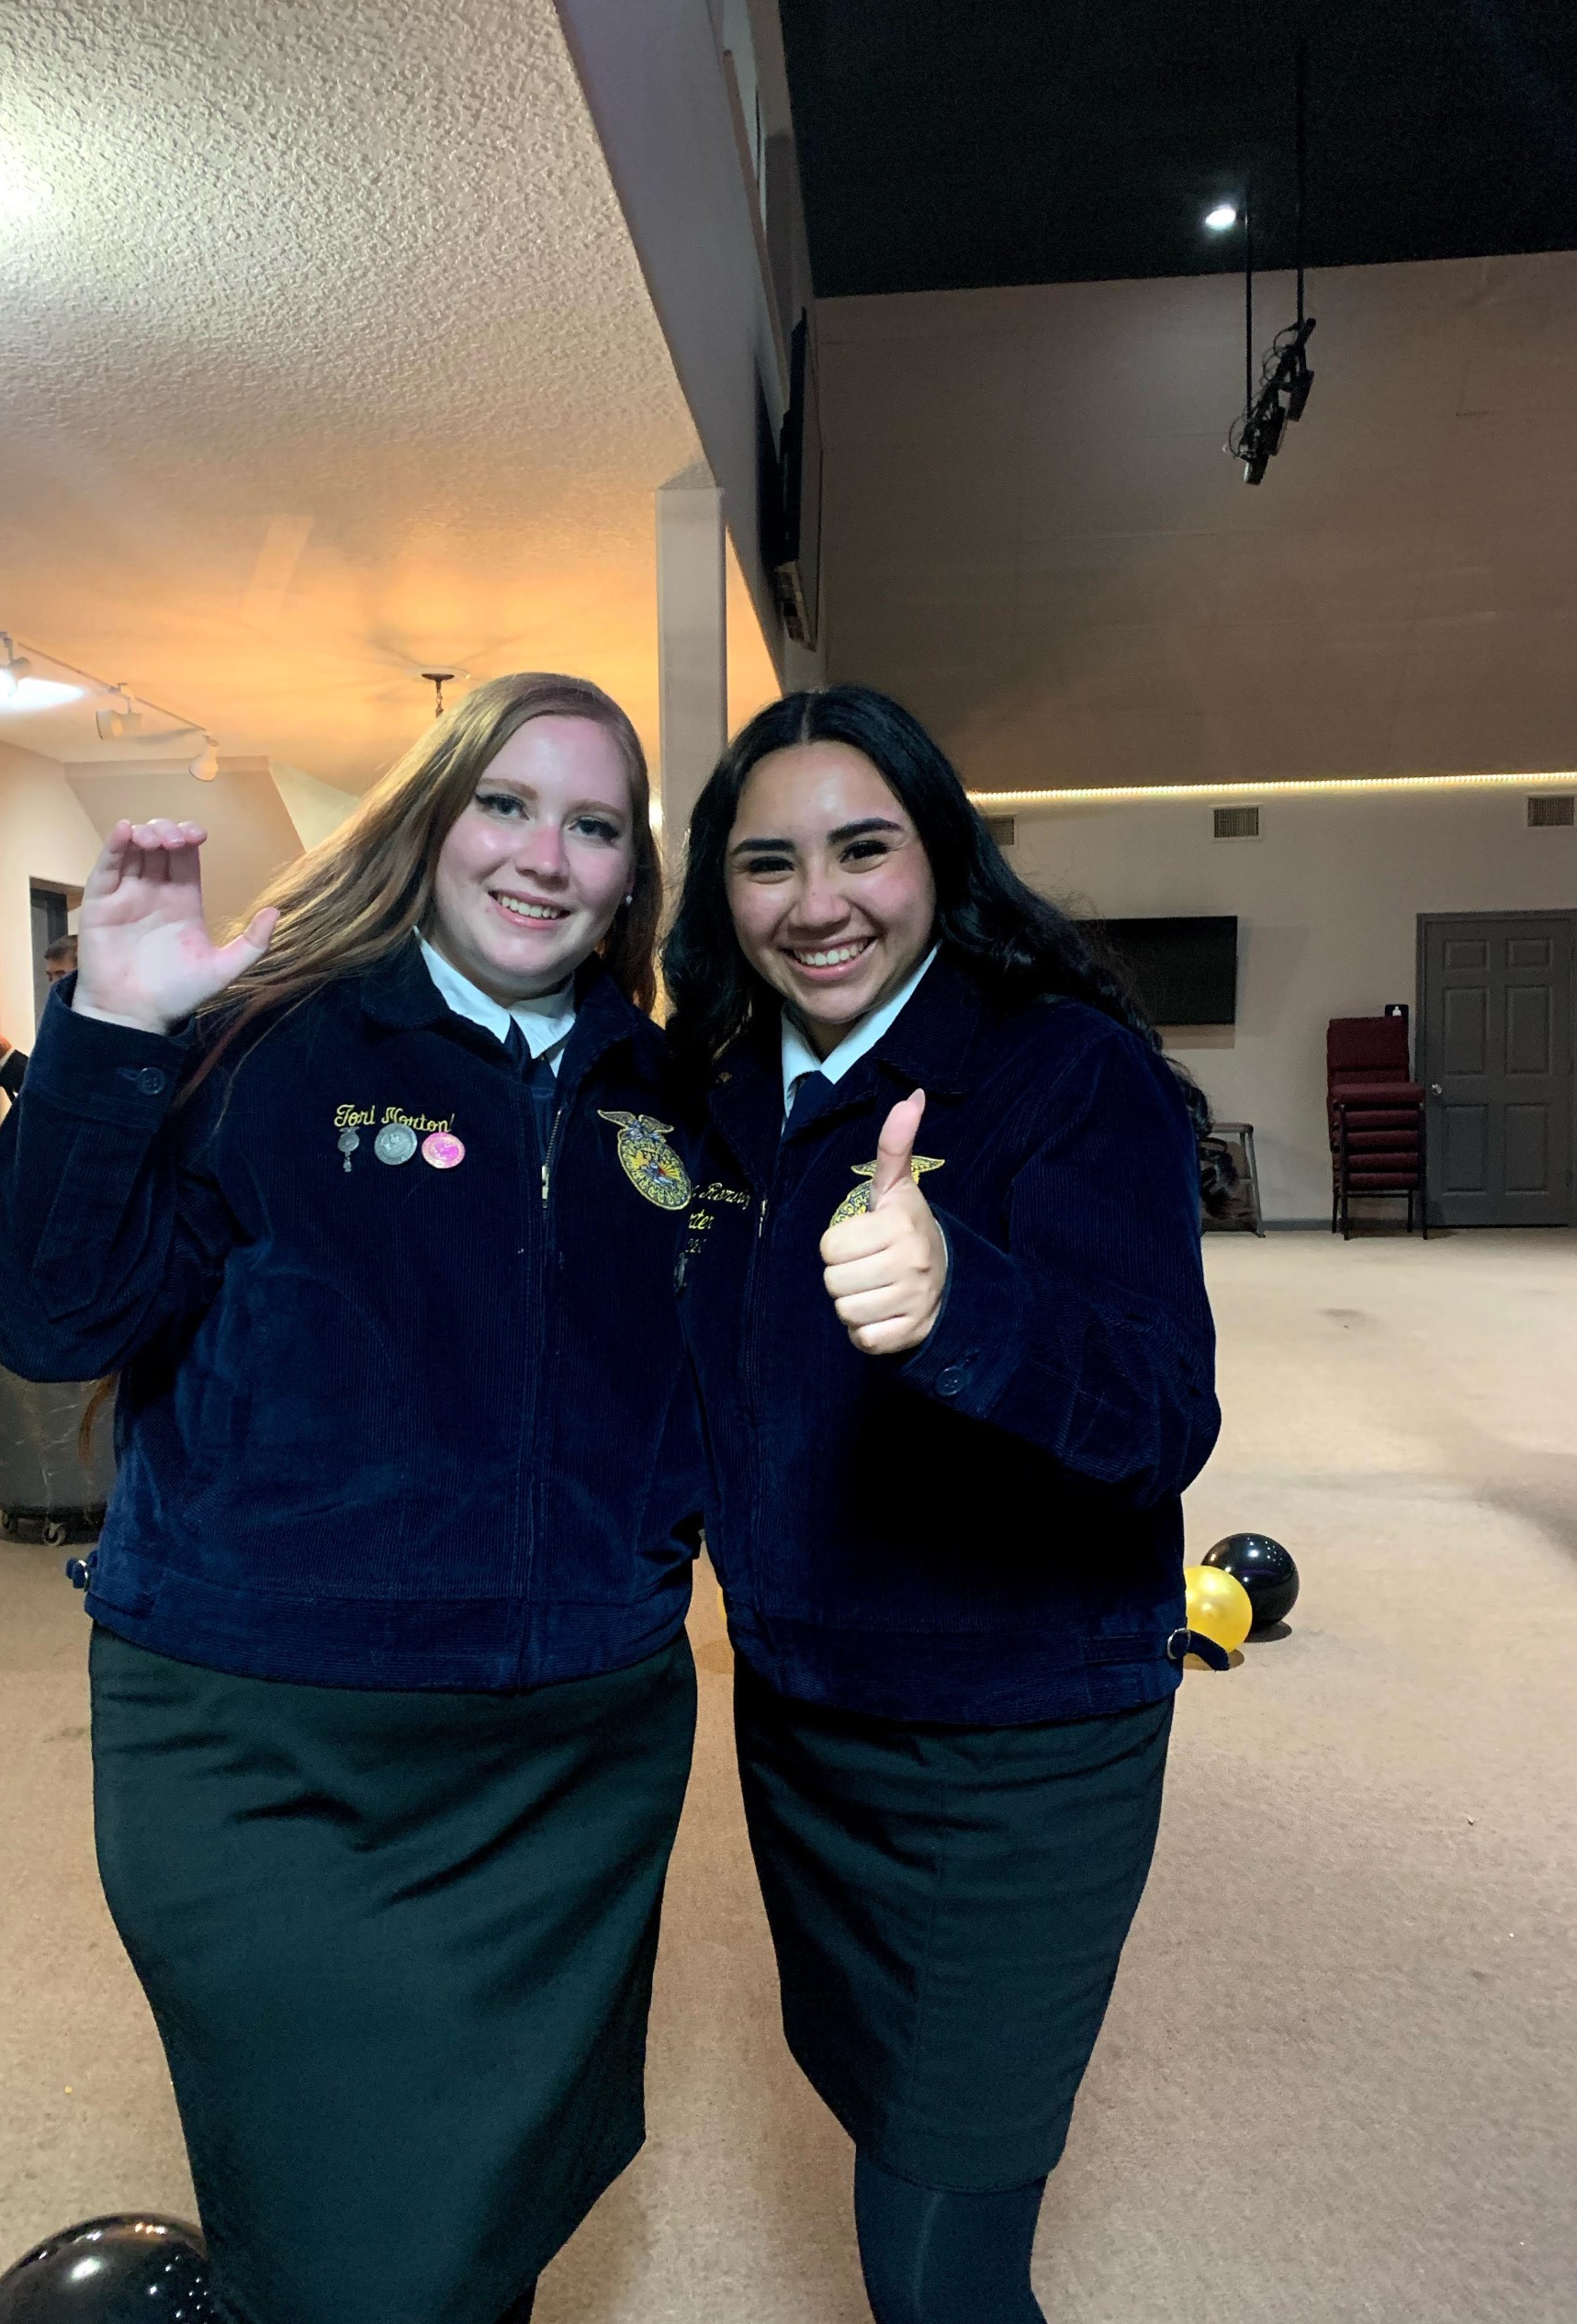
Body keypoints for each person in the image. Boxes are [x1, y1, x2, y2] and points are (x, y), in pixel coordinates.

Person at [0, 676, 704, 2324]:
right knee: (346, 2249)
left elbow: (722, 1383)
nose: (545, 856)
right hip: (267, 1748)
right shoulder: (268, 1037)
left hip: (567, 1758)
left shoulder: (670, 1094)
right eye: (506, 804)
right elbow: (47, 1317)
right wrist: (113, 1031)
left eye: (594, 825)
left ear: (629, 875)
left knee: (483, 2218)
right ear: (434, 820)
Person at [662, 685, 1222, 2324]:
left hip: (1020, 1738)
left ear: (939, 856)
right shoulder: (710, 1095)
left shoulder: (1064, 1075)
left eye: (864, 849)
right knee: (873, 2098)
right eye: (768, 862)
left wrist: (960, 1304)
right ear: (719, 890)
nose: (817, 902)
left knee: (941, 2242)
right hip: (805, 1717)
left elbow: (1157, 1420)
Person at [0, 934, 78, 1097]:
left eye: (61, 975)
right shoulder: (59, 1024)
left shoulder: (98, 1029)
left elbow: (60, 1093)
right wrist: (2, 1058)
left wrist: (6, 1057)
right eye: (50, 977)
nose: (53, 986)